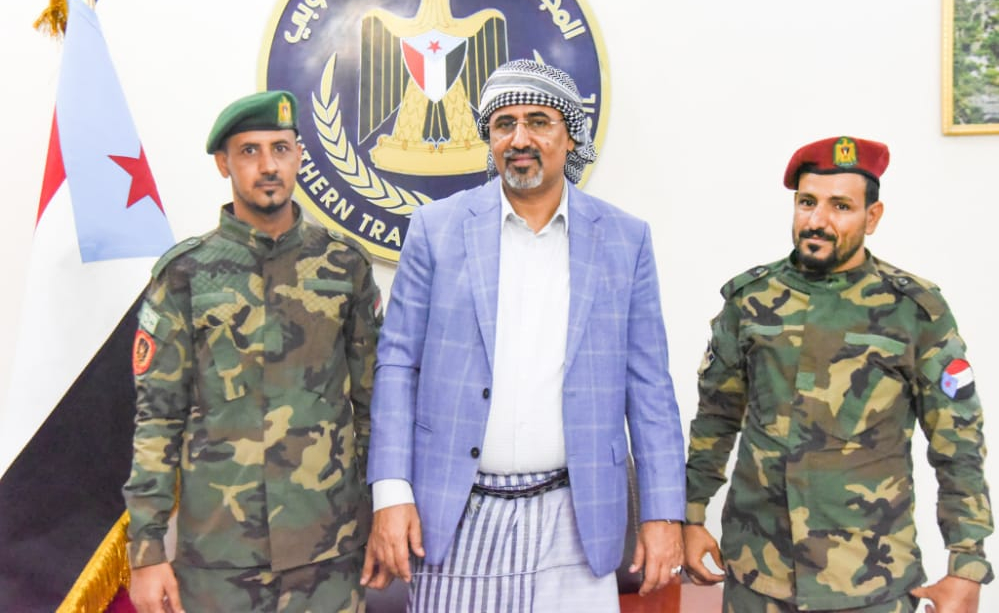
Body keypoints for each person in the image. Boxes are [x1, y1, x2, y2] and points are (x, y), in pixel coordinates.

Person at [360, 59, 686, 612]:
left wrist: (662, 513)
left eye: (538, 121)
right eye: (504, 124)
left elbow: (650, 386)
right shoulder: (436, 230)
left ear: (570, 135)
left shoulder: (624, 239)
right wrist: (390, 494)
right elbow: (397, 367)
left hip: (576, 522)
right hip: (455, 517)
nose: (519, 139)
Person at [683, 136, 993, 613]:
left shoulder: (915, 311)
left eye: (841, 206)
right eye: (807, 202)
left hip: (870, 583)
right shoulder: (750, 300)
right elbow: (715, 420)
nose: (817, 221)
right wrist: (690, 515)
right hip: (758, 576)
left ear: (872, 217)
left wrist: (966, 565)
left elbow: (959, 442)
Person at [122, 91, 382, 613]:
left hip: (328, 551)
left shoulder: (344, 266)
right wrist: (146, 551)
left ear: (299, 156)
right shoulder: (185, 274)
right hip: (220, 558)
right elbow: (158, 420)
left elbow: (375, 407)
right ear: (223, 163)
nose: (268, 166)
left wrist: (382, 517)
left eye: (280, 149)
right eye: (249, 151)